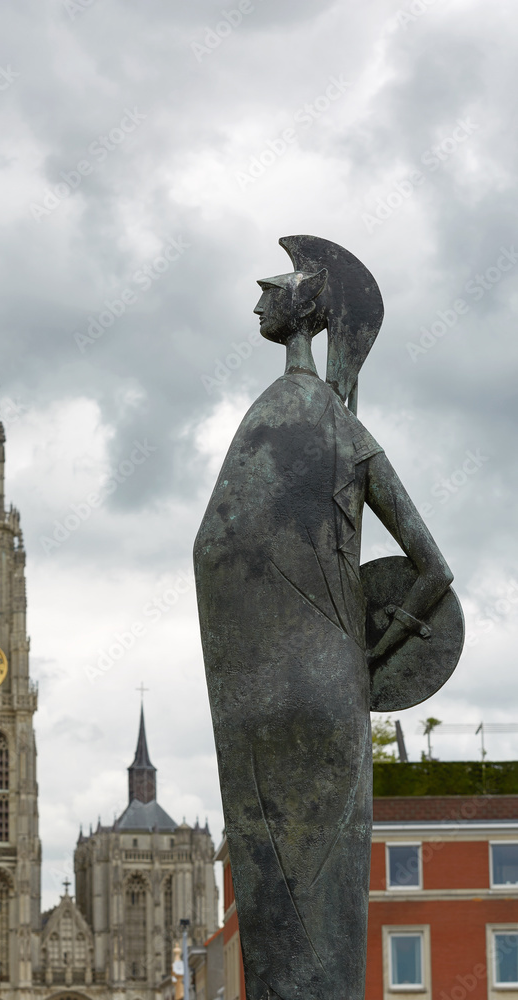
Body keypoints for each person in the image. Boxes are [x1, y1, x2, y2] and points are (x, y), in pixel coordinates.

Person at [193, 237, 453, 1000]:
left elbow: (214, 546)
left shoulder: (271, 414)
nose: (257, 300)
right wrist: (380, 644)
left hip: (263, 685)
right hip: (336, 685)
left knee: (274, 884)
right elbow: (433, 569)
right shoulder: (346, 428)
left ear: (302, 309)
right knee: (328, 884)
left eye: (270, 289)